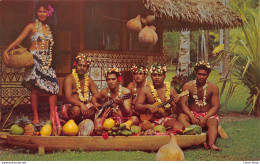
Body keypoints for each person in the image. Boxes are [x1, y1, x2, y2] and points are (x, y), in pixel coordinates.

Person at [3, 3, 60, 135]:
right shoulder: (31, 26)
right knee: (34, 89)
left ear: (48, 13)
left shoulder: (49, 28)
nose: (41, 14)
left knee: (54, 88)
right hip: (34, 60)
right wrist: (7, 50)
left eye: (44, 11)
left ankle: (52, 116)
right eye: (39, 11)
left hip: (47, 60)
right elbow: (19, 40)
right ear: (36, 13)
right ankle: (35, 117)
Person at [177, 61, 221, 151]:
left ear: (208, 75)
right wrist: (192, 116)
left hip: (207, 115)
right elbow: (183, 104)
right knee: (181, 117)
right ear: (195, 74)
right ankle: (197, 138)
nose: (201, 76)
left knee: (213, 123)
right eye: (199, 74)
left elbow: (215, 106)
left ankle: (211, 144)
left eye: (204, 75)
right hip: (192, 114)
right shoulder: (188, 86)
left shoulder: (213, 87)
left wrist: (205, 117)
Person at [135, 63, 183, 128]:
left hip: (166, 119)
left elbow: (176, 112)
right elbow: (137, 107)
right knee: (143, 127)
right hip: (150, 120)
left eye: (160, 75)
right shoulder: (145, 90)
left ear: (164, 76)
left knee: (178, 127)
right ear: (151, 76)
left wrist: (178, 103)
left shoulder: (171, 90)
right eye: (154, 75)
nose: (157, 77)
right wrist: (148, 106)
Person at [62, 53, 101, 123]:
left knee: (96, 108)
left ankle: (82, 122)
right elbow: (68, 97)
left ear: (87, 68)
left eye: (84, 66)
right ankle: (72, 123)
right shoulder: (69, 78)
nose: (82, 68)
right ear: (75, 65)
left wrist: (94, 100)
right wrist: (80, 104)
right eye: (80, 65)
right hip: (71, 106)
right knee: (76, 110)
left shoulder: (89, 80)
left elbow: (97, 95)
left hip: (84, 106)